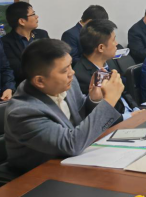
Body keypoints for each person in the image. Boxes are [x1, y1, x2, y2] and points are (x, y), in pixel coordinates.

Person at [4, 39, 124, 174]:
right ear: (40, 81)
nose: (72, 73)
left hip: (78, 161)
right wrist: (109, 101)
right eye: (64, 70)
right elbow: (71, 144)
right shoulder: (22, 112)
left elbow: (80, 117)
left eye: (70, 65)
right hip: (40, 176)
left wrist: (94, 99)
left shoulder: (68, 83)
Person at [75, 20, 139, 118]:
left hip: (132, 113)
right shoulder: (81, 76)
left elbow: (124, 91)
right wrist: (129, 116)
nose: (116, 44)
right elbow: (97, 116)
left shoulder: (109, 61)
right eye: (113, 40)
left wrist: (136, 109)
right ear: (101, 48)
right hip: (116, 122)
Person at [1, 1, 50, 83]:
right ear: (22, 21)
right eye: (33, 14)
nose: (36, 16)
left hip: (47, 81)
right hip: (24, 85)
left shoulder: (42, 34)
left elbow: (52, 57)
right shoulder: (6, 42)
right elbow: (17, 70)